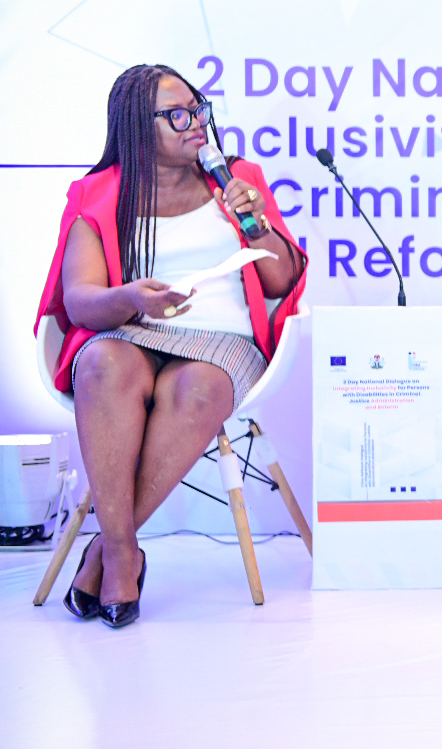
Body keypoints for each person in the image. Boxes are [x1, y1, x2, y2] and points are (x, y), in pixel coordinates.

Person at [34, 64, 307, 627]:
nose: (196, 124)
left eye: (199, 109)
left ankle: (110, 554)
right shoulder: (98, 193)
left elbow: (281, 282)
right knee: (103, 362)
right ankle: (123, 552)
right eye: (178, 115)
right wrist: (132, 296)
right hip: (135, 327)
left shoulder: (235, 178)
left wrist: (254, 220)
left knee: (201, 387)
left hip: (223, 340)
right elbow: (81, 298)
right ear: (138, 126)